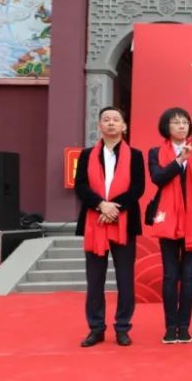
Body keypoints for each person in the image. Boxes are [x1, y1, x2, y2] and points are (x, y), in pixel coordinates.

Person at [74, 106, 145, 347]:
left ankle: (122, 327)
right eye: (106, 119)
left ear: (124, 126)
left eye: (116, 119)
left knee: (125, 280)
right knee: (95, 281)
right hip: (95, 221)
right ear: (99, 126)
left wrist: (114, 208)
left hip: (124, 223)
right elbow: (81, 186)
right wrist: (101, 206)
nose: (111, 123)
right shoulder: (87, 155)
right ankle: (96, 328)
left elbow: (138, 188)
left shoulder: (135, 155)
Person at [147, 107, 192, 345]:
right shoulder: (156, 152)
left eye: (185, 122)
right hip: (168, 219)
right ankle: (170, 326)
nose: (182, 126)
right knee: (170, 275)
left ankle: (184, 326)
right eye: (176, 122)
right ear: (166, 127)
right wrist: (180, 160)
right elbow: (157, 178)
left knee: (188, 276)